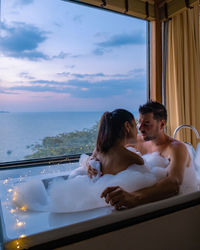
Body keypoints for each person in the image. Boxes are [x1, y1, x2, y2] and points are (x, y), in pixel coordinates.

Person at [89, 101, 191, 210]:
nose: (140, 128)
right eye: (139, 122)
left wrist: (134, 197)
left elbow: (174, 183)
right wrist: (90, 163)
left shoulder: (176, 148)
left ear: (162, 124)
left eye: (146, 124)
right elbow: (103, 148)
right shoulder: (137, 140)